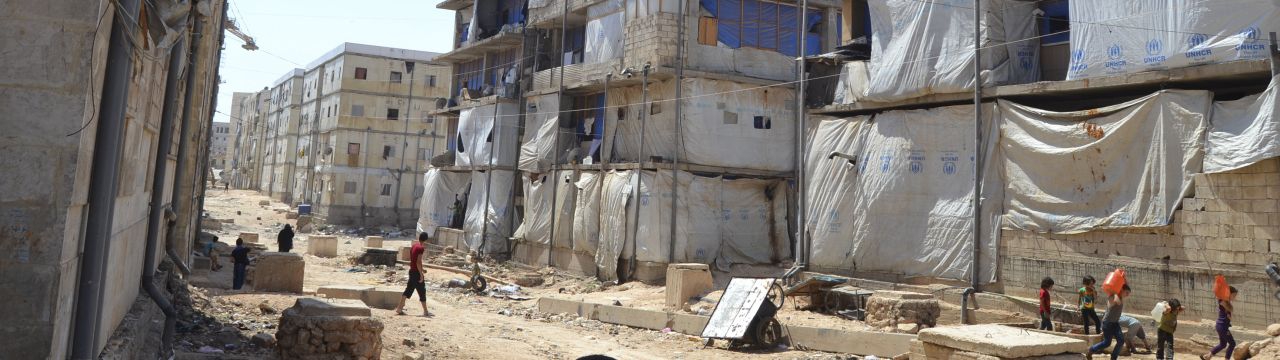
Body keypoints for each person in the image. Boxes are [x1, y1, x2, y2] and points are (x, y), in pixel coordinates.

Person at [1087, 284, 1130, 360]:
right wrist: (1117, 291)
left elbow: (1125, 285)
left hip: (1115, 323)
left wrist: (1123, 278)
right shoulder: (1112, 297)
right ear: (1121, 290)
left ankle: (1113, 358)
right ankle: (1091, 350)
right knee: (1107, 343)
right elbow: (1116, 303)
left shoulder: (1119, 296)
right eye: (1126, 293)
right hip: (1108, 323)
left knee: (1121, 341)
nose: (1128, 295)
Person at [394, 232, 431, 317]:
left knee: (408, 289)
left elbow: (414, 261)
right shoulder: (421, 248)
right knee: (422, 291)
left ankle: (399, 308)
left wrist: (422, 269)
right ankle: (425, 311)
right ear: (425, 239)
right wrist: (421, 274)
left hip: (412, 271)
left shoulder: (414, 246)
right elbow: (418, 262)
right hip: (416, 273)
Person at [1203, 286, 1239, 360]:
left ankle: (1207, 356)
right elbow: (1230, 309)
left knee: (1223, 344)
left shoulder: (1226, 301)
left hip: (1221, 326)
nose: (1235, 297)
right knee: (1232, 344)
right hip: (1222, 326)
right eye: (1234, 295)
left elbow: (1229, 311)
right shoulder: (1222, 300)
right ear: (1229, 294)